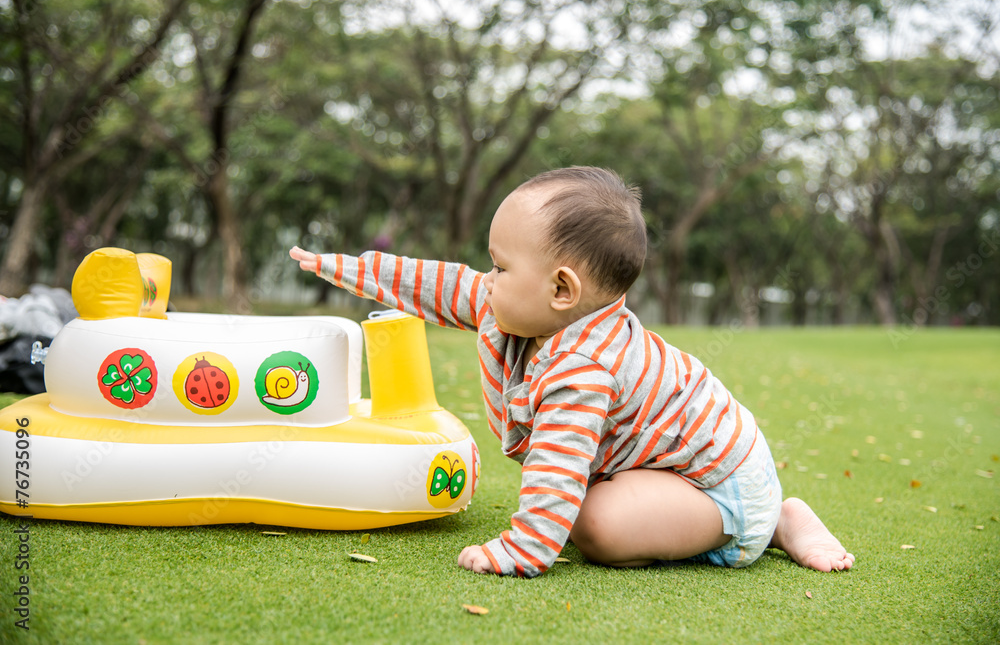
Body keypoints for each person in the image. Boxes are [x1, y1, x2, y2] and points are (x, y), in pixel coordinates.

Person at [290, 166, 854, 578]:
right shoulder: (513, 306)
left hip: (716, 484)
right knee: (595, 504)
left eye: (500, 266)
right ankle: (765, 513)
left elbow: (558, 468)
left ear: (562, 289)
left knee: (595, 526)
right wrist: (345, 268)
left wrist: (521, 549)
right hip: (668, 466)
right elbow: (436, 284)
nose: (485, 279)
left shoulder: (582, 370)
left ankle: (773, 521)